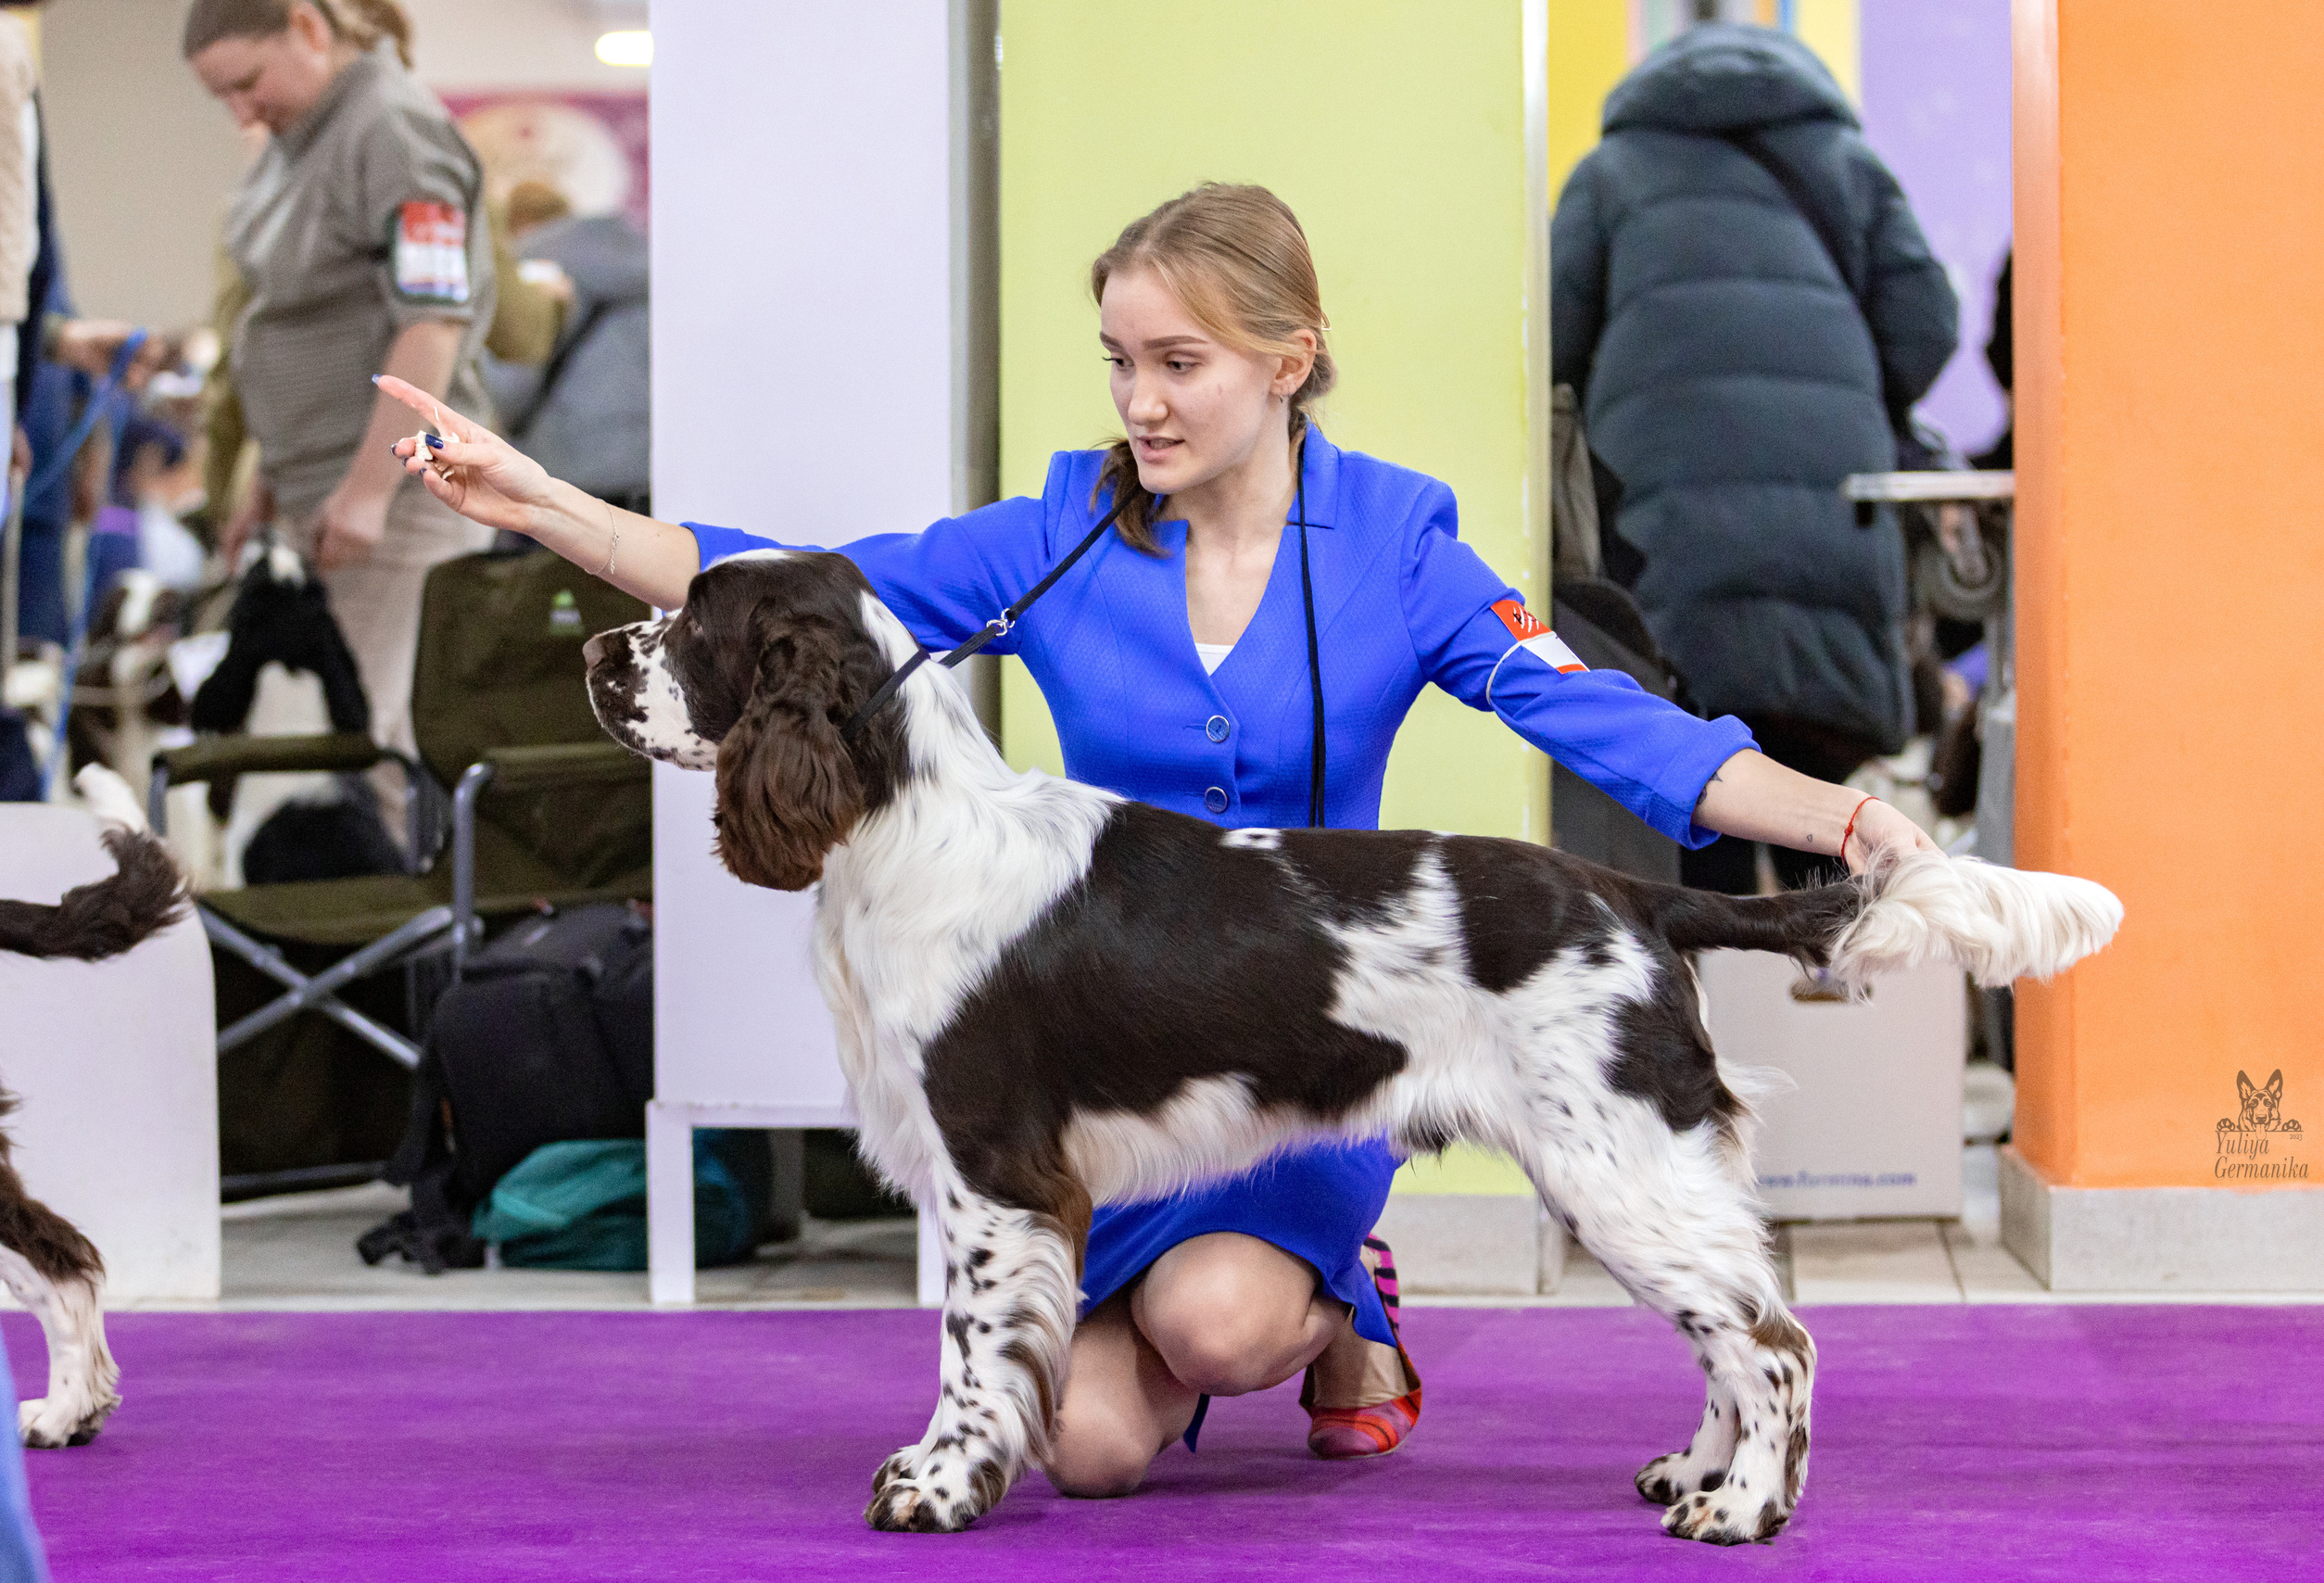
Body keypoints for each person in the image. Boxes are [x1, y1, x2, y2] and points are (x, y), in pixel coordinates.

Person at [377, 183, 1938, 1498]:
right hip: (1112, 1027)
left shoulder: (1394, 539)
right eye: (1121, 360)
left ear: (1288, 361)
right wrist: (537, 502)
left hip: (1307, 1037)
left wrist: (1849, 822)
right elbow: (790, 591)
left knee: (1221, 1325)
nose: (1141, 401)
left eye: (1180, 362)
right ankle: (1074, 1368)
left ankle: (1342, 1307)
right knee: (1100, 1450)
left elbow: (1591, 713)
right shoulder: (1063, 523)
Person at [1549, 22, 1959, 895]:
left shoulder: (1613, 172)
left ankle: (1707, 1000)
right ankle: (1840, 993)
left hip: (1662, 524)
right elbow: (1927, 330)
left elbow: (1548, 346)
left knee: (1695, 778)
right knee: (1824, 794)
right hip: (1827, 509)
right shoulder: (1847, 162)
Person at [183, 0, 498, 806]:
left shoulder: (392, 128)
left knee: (387, 741)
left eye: (247, 82)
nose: (240, 111)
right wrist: (268, 481)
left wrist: (367, 490)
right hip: (318, 488)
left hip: (399, 499)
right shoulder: (300, 137)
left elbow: (432, 322)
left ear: (309, 28)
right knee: (350, 748)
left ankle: (413, 930)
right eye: (222, 96)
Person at [489, 183, 650, 517]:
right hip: (648, 467)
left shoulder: (527, 266)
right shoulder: (647, 262)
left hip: (561, 466)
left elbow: (509, 384)